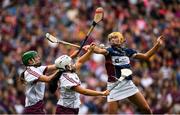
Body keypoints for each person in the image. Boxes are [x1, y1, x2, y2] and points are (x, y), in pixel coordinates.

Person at [84, 32, 164, 114]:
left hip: (128, 84)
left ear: (121, 40)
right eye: (111, 38)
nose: (112, 39)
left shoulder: (127, 51)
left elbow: (146, 56)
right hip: (114, 87)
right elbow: (99, 50)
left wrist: (157, 45)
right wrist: (92, 49)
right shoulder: (109, 50)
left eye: (115, 37)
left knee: (146, 109)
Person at [50, 44, 109, 114]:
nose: (72, 63)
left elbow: (80, 61)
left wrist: (90, 51)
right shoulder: (66, 79)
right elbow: (84, 92)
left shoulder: (67, 71)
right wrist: (101, 93)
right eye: (70, 62)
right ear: (66, 67)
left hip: (71, 109)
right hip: (65, 110)